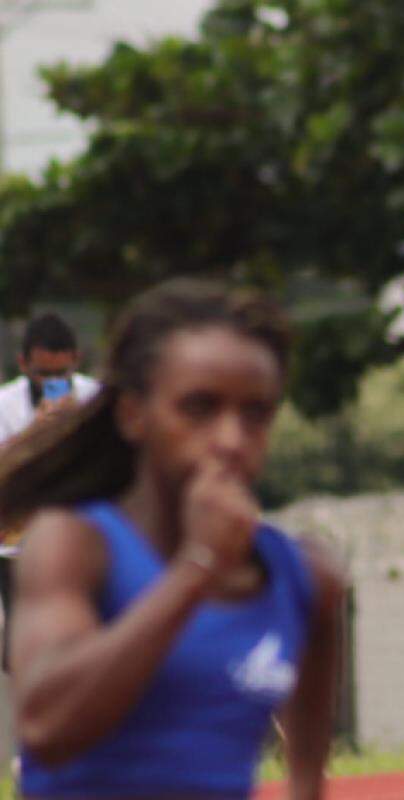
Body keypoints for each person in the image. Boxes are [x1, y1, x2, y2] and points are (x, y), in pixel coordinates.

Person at [0, 280, 344, 799]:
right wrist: (197, 569)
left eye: (257, 413)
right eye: (199, 408)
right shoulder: (75, 543)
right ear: (134, 414)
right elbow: (47, 728)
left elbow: (306, 780)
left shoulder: (308, 580)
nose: (231, 439)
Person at [0, 312, 101, 450]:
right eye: (44, 374)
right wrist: (33, 433)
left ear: (76, 360)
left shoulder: (95, 394)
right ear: (23, 363)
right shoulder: (4, 404)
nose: (53, 382)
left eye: (61, 373)